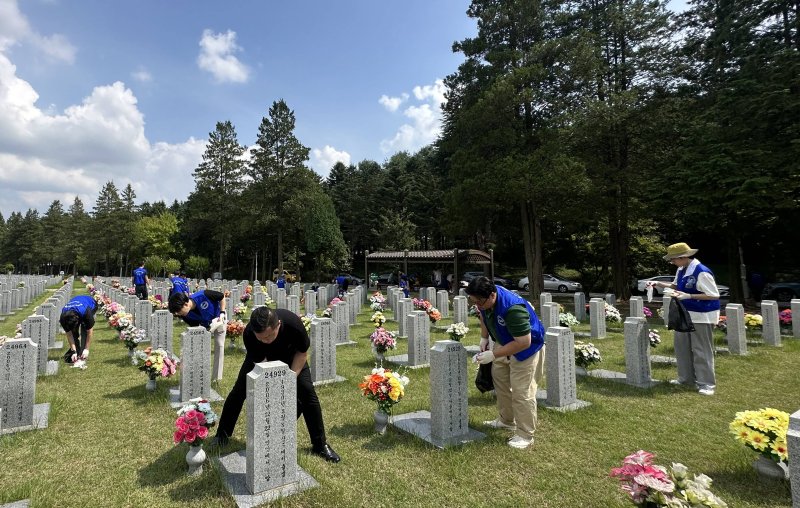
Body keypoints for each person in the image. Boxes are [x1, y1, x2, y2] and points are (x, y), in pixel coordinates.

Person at [212, 306, 341, 462]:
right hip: (262, 360)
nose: (264, 340)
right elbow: (262, 365)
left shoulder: (294, 324)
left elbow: (302, 353)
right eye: (260, 338)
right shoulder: (250, 335)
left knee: (308, 394)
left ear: (278, 325)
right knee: (239, 392)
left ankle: (320, 445)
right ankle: (222, 434)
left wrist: (290, 379)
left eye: (268, 337)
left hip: (292, 357)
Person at [467, 276, 545, 449]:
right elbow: (484, 315)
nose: (477, 306)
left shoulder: (513, 309)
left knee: (522, 391)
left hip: (527, 349)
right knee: (500, 382)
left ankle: (525, 434)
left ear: (492, 295)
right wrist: (484, 337)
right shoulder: (485, 302)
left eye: (480, 301)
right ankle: (506, 420)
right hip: (505, 341)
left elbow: (524, 342)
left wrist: (493, 355)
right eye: (474, 302)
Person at [648, 242, 720, 396]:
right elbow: (676, 286)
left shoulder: (701, 272)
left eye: (673, 260)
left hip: (701, 315)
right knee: (682, 347)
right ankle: (685, 378)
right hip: (684, 313)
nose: (672, 263)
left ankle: (706, 384)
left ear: (683, 257)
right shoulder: (681, 269)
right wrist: (658, 284)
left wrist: (689, 295)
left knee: (701, 349)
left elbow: (714, 295)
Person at [168, 289, 228, 380]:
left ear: (186, 304)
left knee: (219, 345)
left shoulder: (203, 295)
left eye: (178, 311)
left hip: (219, 319)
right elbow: (195, 327)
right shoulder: (185, 315)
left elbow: (221, 296)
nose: (177, 314)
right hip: (206, 326)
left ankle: (216, 378)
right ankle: (197, 375)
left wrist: (222, 312)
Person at [59, 295, 98, 363]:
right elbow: (69, 335)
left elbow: (89, 331)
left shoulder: (86, 312)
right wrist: (73, 351)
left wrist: (86, 349)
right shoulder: (63, 318)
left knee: (84, 330)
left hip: (91, 304)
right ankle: (76, 353)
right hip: (77, 308)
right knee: (73, 334)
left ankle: (83, 354)